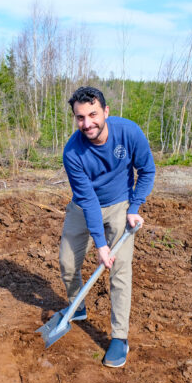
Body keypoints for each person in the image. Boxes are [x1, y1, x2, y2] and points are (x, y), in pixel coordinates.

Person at [58, 86, 155, 367]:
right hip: (82, 205)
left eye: (93, 114)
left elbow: (146, 170)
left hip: (119, 205)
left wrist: (134, 207)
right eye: (80, 117)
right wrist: (100, 244)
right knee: (67, 263)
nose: (87, 123)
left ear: (106, 112)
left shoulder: (129, 132)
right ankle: (77, 307)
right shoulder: (72, 152)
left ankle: (119, 338)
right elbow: (87, 200)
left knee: (120, 271)